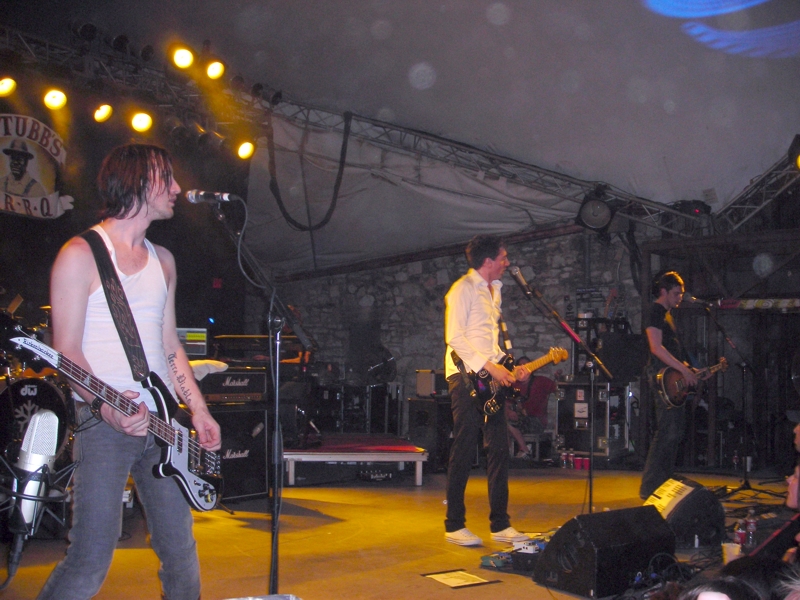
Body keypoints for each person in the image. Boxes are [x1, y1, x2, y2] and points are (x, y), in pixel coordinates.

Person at [38, 144, 221, 600]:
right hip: (104, 424)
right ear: (138, 181)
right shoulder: (80, 254)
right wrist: (106, 406)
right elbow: (65, 350)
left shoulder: (164, 260)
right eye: (167, 178)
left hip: (164, 426)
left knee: (180, 552)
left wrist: (199, 411)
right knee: (89, 558)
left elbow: (169, 344)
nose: (177, 188)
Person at [443, 234, 531, 546]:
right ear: (488, 261)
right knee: (465, 448)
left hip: (489, 377)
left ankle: (500, 525)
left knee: (499, 449)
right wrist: (491, 367)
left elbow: (488, 342)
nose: (507, 263)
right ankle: (454, 525)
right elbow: (455, 338)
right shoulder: (463, 289)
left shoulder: (495, 291)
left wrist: (506, 367)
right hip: (464, 377)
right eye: (503, 258)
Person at [639, 271, 699, 500]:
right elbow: (656, 348)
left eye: (681, 294)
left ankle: (662, 482)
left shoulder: (667, 315)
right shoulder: (655, 312)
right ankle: (650, 486)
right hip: (661, 376)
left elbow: (671, 351)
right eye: (676, 293)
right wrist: (684, 370)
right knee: (667, 431)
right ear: (663, 291)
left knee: (674, 431)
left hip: (671, 376)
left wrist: (689, 369)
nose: (680, 298)